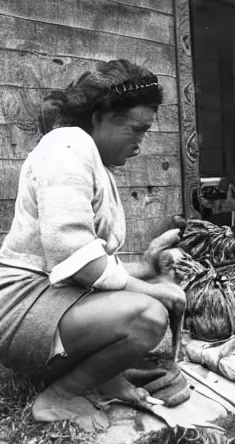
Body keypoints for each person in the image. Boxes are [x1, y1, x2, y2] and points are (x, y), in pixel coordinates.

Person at [0, 59, 187, 428]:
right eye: (136, 129)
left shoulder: (93, 160)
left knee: (156, 289)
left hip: (52, 297)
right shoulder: (66, 147)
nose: (140, 142)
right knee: (148, 315)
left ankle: (105, 378)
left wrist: (150, 270)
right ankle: (59, 397)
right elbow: (76, 260)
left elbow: (98, 265)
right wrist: (151, 292)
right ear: (99, 116)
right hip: (19, 308)